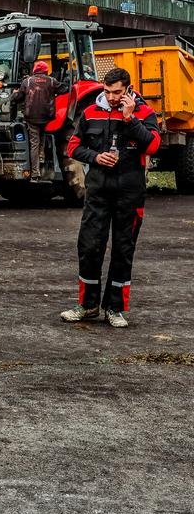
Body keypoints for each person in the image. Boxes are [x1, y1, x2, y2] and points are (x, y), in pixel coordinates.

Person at [62, 67, 160, 328]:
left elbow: (152, 145)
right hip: (98, 193)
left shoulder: (144, 112)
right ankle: (88, 305)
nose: (112, 97)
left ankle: (115, 309)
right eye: (107, 91)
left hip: (130, 194)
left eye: (117, 92)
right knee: (89, 246)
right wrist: (95, 157)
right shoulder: (91, 112)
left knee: (123, 250)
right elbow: (73, 146)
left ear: (128, 89)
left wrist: (130, 120)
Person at [10, 60, 68, 179]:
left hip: (31, 117)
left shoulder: (27, 81)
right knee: (42, 136)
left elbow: (18, 98)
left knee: (34, 143)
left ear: (35, 70)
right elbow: (64, 89)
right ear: (46, 71)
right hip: (47, 117)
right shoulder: (52, 81)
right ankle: (42, 159)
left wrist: (14, 93)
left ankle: (35, 173)